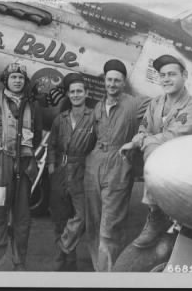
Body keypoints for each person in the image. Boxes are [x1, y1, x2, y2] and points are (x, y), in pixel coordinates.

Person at [119, 54, 192, 249]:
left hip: (182, 165)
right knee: (138, 150)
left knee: (151, 147)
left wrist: (143, 141)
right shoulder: (156, 103)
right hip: (158, 164)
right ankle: (154, 212)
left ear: (185, 75)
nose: (166, 79)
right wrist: (137, 139)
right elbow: (143, 128)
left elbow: (177, 136)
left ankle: (157, 215)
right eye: (163, 75)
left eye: (172, 74)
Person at [84, 59, 150, 271]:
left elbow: (160, 105)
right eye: (109, 80)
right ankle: (99, 269)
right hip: (94, 164)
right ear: (104, 81)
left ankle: (108, 275)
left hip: (119, 164)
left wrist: (139, 137)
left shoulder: (135, 104)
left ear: (124, 83)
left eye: (117, 80)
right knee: (93, 223)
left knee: (110, 227)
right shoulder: (97, 106)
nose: (112, 84)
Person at [0, 62, 42, 271]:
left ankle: (19, 262)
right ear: (6, 80)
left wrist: (23, 157)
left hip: (23, 165)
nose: (17, 81)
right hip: (2, 164)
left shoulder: (33, 108)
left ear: (25, 82)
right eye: (13, 77)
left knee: (22, 216)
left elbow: (38, 136)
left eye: (21, 78)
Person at [47, 73, 96, 271]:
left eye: (79, 91)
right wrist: (51, 166)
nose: (76, 95)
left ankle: (63, 247)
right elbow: (51, 144)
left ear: (86, 93)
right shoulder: (61, 118)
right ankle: (67, 259)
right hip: (60, 171)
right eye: (72, 92)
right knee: (61, 218)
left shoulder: (93, 117)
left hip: (81, 172)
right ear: (68, 94)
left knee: (82, 217)